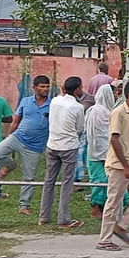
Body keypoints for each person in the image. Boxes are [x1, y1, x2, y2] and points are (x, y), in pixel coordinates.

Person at [96, 81, 129, 251]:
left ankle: (122, 227)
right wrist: (126, 166)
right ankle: (104, 240)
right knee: (113, 201)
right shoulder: (118, 112)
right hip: (119, 164)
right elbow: (114, 139)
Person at [0, 76, 51, 214]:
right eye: (42, 86)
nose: (45, 89)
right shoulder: (26, 101)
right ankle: (9, 166)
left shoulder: (52, 104)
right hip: (17, 137)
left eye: (47, 86)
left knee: (29, 177)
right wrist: (9, 136)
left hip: (34, 147)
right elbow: (16, 121)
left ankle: (24, 206)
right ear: (34, 87)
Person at [40, 76, 86, 228]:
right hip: (68, 146)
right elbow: (79, 128)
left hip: (52, 143)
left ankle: (44, 216)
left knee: (49, 181)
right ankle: (64, 218)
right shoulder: (78, 107)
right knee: (67, 183)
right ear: (77, 89)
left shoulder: (54, 101)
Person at [85, 84, 116, 218]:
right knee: (102, 182)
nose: (116, 97)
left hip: (91, 151)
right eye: (114, 94)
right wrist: (105, 155)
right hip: (101, 153)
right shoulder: (104, 113)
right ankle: (97, 210)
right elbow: (102, 135)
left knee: (97, 181)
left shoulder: (91, 110)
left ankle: (103, 209)